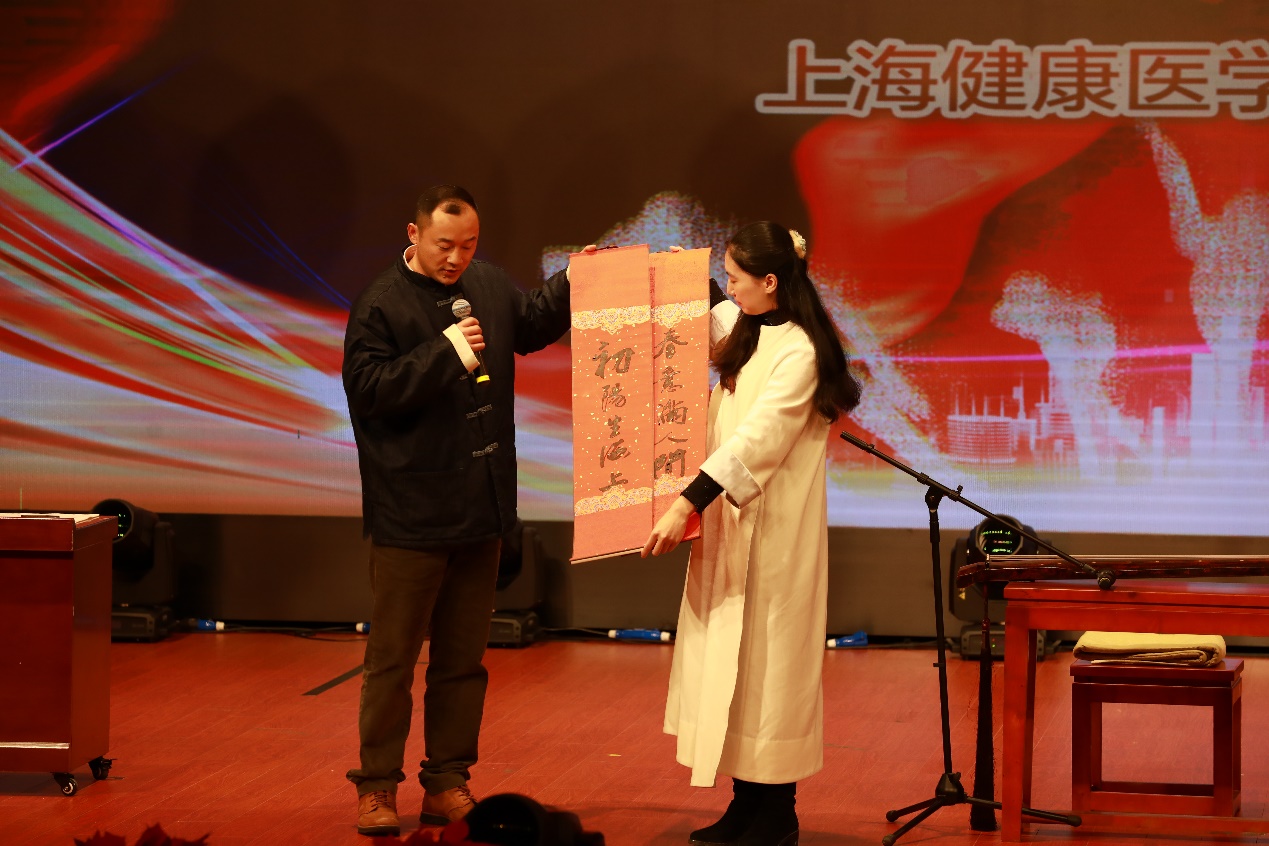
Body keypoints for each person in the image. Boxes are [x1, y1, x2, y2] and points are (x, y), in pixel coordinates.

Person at [342, 185, 575, 837]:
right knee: (392, 661)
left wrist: (572, 281)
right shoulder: (380, 304)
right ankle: (376, 786)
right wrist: (445, 353)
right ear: (413, 234)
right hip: (410, 512)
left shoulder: (489, 285)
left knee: (462, 663)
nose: (455, 258)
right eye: (444, 245)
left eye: (468, 245)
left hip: (480, 507)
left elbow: (530, 325)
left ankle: (446, 781)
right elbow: (369, 392)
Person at [642, 222, 863, 846]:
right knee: (734, 672)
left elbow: (755, 442)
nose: (730, 287)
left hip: (776, 541)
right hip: (732, 532)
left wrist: (684, 505)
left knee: (770, 673)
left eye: (738, 277)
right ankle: (746, 806)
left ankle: (776, 812)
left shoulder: (801, 352)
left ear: (771, 282)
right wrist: (671, 275)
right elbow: (717, 308)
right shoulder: (751, 327)